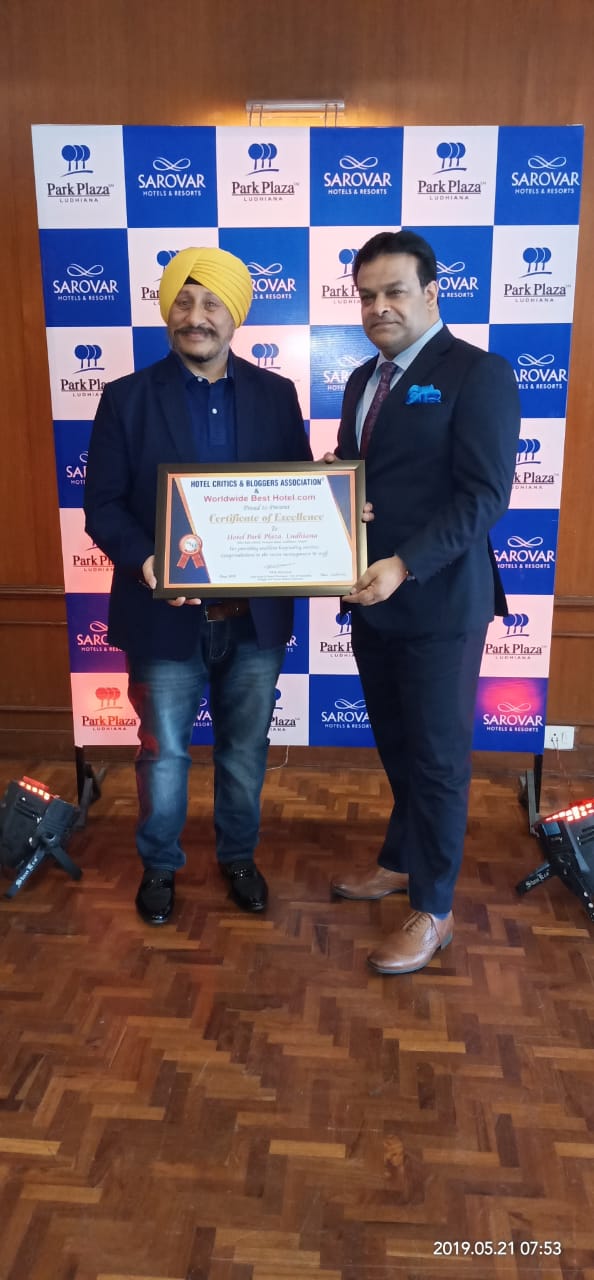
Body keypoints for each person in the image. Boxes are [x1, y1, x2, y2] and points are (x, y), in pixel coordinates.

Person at [84, 246, 312, 925]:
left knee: (245, 750)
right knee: (163, 754)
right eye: (183, 301)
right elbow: (103, 506)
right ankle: (160, 865)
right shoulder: (125, 398)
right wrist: (147, 560)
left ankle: (239, 858)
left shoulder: (277, 395)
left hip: (255, 621)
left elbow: (299, 495)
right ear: (167, 312)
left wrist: (332, 511)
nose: (196, 316)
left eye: (212, 302)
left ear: (235, 314)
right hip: (163, 616)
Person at [330, 230, 521, 974]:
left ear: (432, 293)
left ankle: (434, 909)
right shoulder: (361, 380)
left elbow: (485, 496)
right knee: (398, 746)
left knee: (438, 761)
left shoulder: (479, 372)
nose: (378, 307)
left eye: (394, 291)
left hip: (439, 603)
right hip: (370, 600)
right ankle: (402, 859)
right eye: (366, 295)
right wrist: (332, 490)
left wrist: (405, 564)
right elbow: (361, 477)